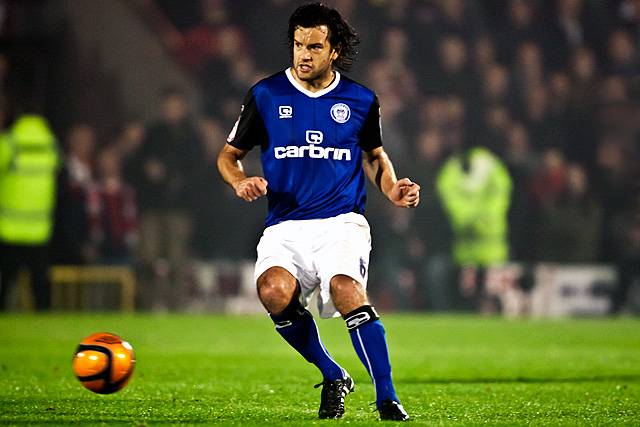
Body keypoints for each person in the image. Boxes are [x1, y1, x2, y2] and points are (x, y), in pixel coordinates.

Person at [216, 3, 417, 421]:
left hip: (341, 221)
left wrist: (392, 190)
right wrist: (239, 181)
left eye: (313, 46)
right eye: (297, 45)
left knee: (346, 289)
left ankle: (386, 397)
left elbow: (374, 158)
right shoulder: (266, 94)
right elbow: (228, 155)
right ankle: (334, 373)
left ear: (334, 49)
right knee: (272, 291)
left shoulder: (360, 100)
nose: (303, 54)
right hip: (286, 224)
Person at [0, 113, 59, 310]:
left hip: (9, 226)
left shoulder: (10, 143)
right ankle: (45, 317)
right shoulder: (50, 144)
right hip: (39, 226)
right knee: (40, 282)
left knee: (6, 280)